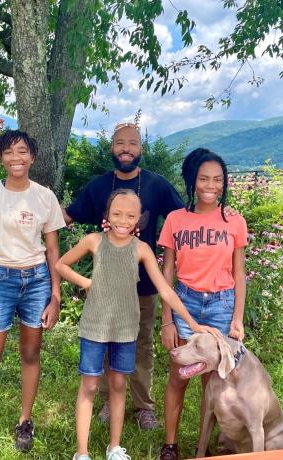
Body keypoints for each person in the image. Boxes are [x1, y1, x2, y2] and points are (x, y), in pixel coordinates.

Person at [56, 189, 223, 460]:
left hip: (126, 329)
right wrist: (86, 282)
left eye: (131, 215)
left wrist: (193, 324)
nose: (123, 220)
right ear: (106, 216)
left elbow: (166, 290)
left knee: (119, 383)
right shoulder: (93, 241)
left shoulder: (141, 249)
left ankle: (114, 447)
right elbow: (61, 264)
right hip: (94, 327)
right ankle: (82, 452)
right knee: (88, 385)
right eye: (117, 214)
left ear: (139, 220)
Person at [62, 122, 184, 429]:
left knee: (141, 343)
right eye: (120, 143)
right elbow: (68, 215)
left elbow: (183, 220)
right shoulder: (98, 186)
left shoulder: (157, 185)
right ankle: (107, 399)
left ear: (141, 149)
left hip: (144, 284)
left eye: (132, 143)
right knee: (103, 340)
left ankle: (144, 406)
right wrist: (33, 222)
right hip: (104, 287)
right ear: (112, 148)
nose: (125, 148)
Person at [0, 130, 65, 460]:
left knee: (31, 353)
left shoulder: (45, 196)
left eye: (22, 151)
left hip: (37, 282)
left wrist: (55, 296)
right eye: (8, 152)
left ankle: (25, 421)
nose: (15, 157)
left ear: (32, 157)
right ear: (0, 159)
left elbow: (52, 250)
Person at [157, 148, 248, 460]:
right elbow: (167, 272)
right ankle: (170, 445)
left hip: (222, 305)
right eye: (204, 178)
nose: (212, 185)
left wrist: (237, 318)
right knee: (179, 375)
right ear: (192, 181)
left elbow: (239, 273)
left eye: (218, 179)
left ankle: (204, 447)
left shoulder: (235, 222)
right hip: (185, 303)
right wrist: (166, 319)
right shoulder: (175, 220)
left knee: (213, 384)